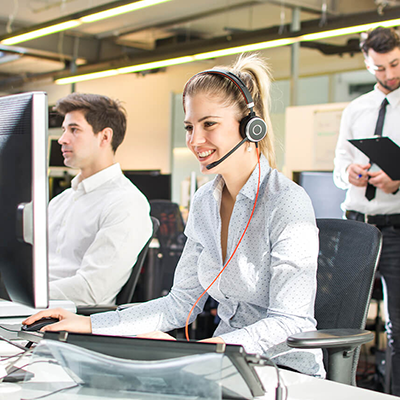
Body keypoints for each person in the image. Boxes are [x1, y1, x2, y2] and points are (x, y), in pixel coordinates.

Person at [25, 55, 324, 377]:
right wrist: (89, 324)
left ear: (251, 126)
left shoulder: (286, 202)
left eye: (209, 124)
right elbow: (179, 302)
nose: (195, 140)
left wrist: (202, 351)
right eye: (189, 127)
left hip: (283, 373)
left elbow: (290, 321)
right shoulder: (205, 202)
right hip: (224, 364)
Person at [333, 27, 400, 395]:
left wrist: (398, 182)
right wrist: (349, 173)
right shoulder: (356, 108)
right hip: (355, 228)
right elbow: (338, 166)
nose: (389, 74)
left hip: (396, 230)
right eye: (380, 68)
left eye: (395, 64)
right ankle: (340, 390)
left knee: (398, 328)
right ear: (367, 63)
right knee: (341, 321)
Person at [48, 93, 152, 307]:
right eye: (64, 129)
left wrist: (25, 294)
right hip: (27, 310)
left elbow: (91, 290)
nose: (62, 139)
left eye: (74, 130)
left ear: (105, 137)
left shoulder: (126, 204)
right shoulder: (60, 201)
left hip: (69, 321)